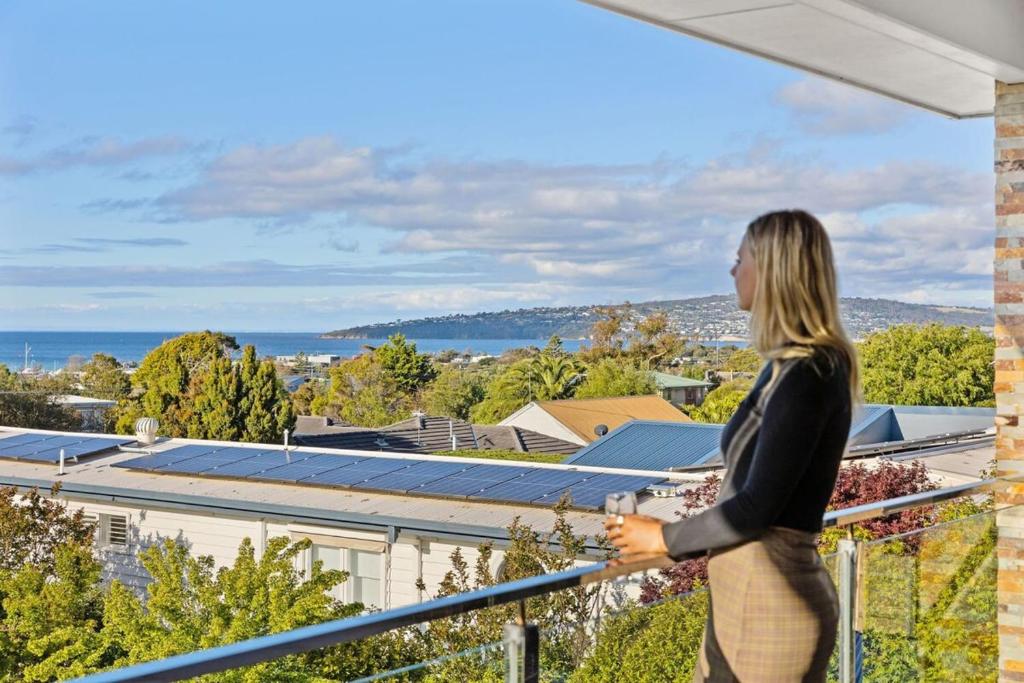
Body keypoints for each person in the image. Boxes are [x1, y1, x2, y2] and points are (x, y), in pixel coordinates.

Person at [605, 209, 858, 682]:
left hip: (769, 605)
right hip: (748, 597)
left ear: (773, 271)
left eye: (740, 258)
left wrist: (662, 538)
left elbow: (759, 505)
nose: (731, 269)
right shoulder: (788, 368)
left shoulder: (807, 373)